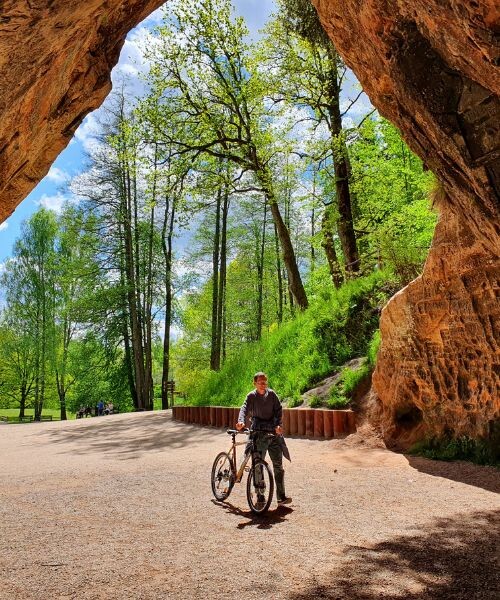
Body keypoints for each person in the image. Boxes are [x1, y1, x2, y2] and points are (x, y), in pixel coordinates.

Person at [236, 372, 292, 506]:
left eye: (265, 382)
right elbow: (244, 409)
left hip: (273, 433)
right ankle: (260, 496)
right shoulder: (251, 396)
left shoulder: (272, 395)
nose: (263, 384)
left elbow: (279, 410)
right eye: (260, 382)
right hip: (258, 434)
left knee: (278, 465)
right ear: (254, 383)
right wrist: (241, 422)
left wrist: (279, 425)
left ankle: (281, 496)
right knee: (258, 466)